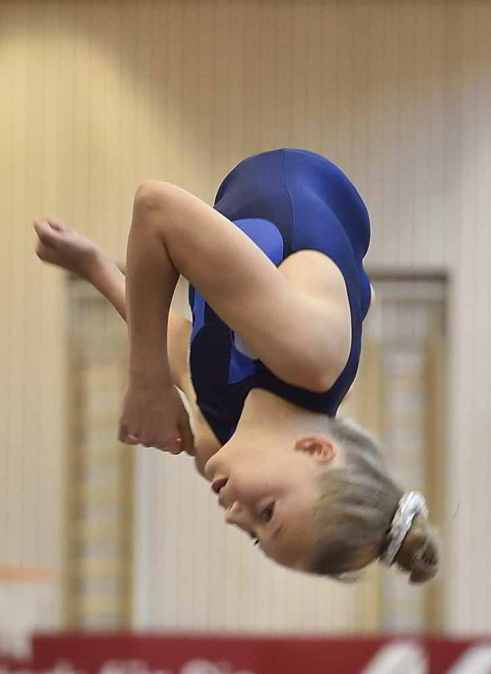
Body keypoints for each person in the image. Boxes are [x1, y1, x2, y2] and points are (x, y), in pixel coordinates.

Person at [34, 149, 438, 583]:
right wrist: (147, 382)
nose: (232, 517)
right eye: (266, 513)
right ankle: (357, 295)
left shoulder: (217, 437)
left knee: (241, 331)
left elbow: (174, 341)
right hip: (314, 189)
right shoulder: (309, 357)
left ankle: (356, 295)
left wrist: (93, 266)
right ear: (315, 450)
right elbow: (156, 208)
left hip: (265, 246)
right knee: (314, 326)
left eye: (254, 536)